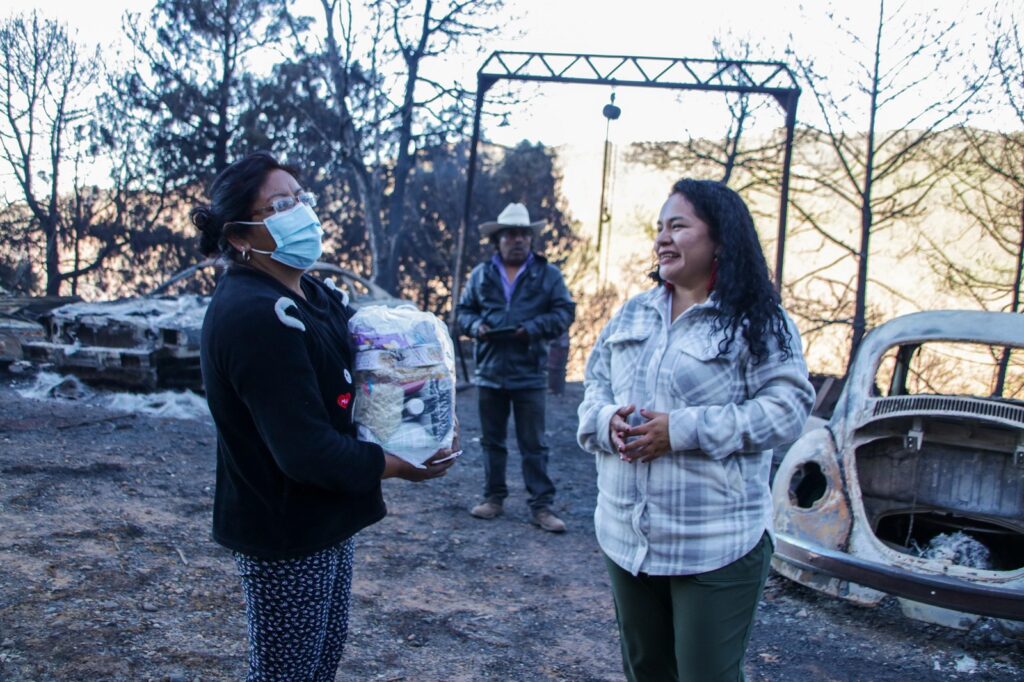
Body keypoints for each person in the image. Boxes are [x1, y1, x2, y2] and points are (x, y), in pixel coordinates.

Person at [192, 151, 456, 681]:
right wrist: (402, 463)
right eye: (280, 205)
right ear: (241, 238)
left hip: (326, 515)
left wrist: (422, 399)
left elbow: (369, 361)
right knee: (286, 673)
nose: (302, 212)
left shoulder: (307, 290)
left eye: (301, 198)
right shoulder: (254, 315)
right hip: (284, 526)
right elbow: (304, 450)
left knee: (319, 661)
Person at [577, 179, 814, 681]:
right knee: (647, 672)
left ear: (721, 239)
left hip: (714, 545)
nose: (662, 238)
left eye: (678, 226)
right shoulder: (633, 312)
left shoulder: (758, 320)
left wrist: (680, 430)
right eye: (659, 228)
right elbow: (595, 386)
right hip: (626, 537)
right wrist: (606, 422)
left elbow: (788, 409)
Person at [457, 202, 576, 532]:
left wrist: (533, 328)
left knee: (533, 444)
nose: (518, 240)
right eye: (511, 234)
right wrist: (477, 325)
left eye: (524, 234)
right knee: (491, 441)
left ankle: (542, 507)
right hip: (490, 372)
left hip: (529, 372)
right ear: (498, 239)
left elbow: (565, 312)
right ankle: (493, 499)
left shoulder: (548, 274)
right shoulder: (481, 275)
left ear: (530, 238)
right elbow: (463, 313)